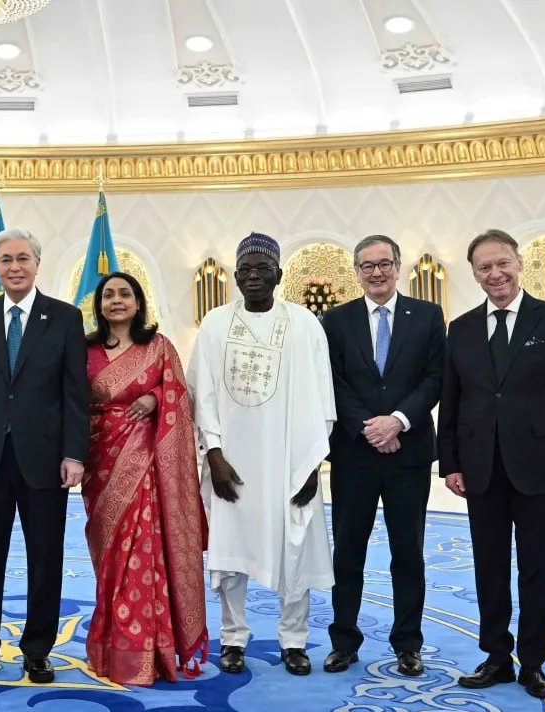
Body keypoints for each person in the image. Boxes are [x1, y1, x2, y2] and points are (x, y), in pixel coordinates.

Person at [438, 229, 545, 700]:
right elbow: (451, 399)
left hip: (539, 465)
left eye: (502, 263)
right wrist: (450, 462)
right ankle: (497, 657)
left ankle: (535, 663)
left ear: (519, 263)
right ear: (474, 274)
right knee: (489, 566)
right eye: (484, 267)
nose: (495, 274)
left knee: (538, 566)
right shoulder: (461, 328)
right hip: (480, 466)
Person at [188, 231, 336, 677]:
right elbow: (202, 393)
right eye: (246, 269)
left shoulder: (305, 324)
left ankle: (294, 640)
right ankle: (233, 637)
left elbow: (322, 395)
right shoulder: (215, 323)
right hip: (232, 462)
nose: (254, 275)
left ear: (279, 274)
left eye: (263, 268)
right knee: (231, 552)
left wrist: (312, 464)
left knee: (295, 548)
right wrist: (213, 455)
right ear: (235, 277)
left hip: (290, 460)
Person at [0, 228, 89, 684]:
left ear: (37, 264)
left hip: (46, 458)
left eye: (23, 258)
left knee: (45, 559)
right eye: (6, 259)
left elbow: (75, 392)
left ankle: (37, 650)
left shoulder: (65, 317)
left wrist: (74, 453)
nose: (15, 267)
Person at [321, 235, 445, 677]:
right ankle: (344, 642)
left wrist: (397, 420)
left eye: (384, 263)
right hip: (354, 455)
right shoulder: (336, 320)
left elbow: (435, 377)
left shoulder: (428, 315)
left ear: (398, 266)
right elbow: (333, 381)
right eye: (367, 265)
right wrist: (368, 427)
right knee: (347, 553)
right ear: (356, 272)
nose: (376, 272)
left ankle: (407, 644)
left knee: (407, 553)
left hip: (408, 455)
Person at [81, 272, 207, 686]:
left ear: (138, 303)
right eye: (108, 295)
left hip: (147, 464)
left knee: (144, 553)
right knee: (111, 559)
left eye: (125, 294)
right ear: (99, 305)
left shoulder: (159, 347)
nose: (117, 300)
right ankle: (111, 647)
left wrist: (156, 397)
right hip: (100, 462)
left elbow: (180, 394)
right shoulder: (84, 350)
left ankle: (149, 650)